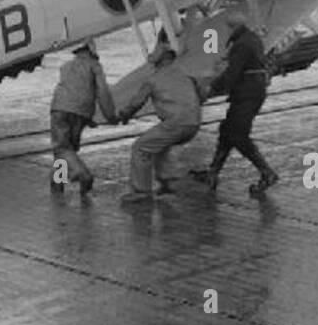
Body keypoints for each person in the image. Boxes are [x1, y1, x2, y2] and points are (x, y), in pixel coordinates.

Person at [191, 14, 280, 197]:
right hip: (250, 92)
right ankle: (213, 173)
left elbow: (232, 73)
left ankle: (267, 173)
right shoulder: (251, 38)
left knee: (238, 135)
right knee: (226, 131)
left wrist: (210, 89)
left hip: (248, 94)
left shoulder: (242, 44)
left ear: (233, 28)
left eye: (228, 29)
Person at [116, 43, 204, 203]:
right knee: (159, 144)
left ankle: (141, 191)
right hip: (194, 123)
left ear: (160, 59)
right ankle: (167, 181)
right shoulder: (185, 74)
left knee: (141, 147)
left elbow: (136, 103)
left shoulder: (153, 79)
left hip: (176, 123)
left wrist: (123, 115)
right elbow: (202, 93)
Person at [48, 39, 117, 195]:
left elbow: (73, 89)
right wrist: (110, 115)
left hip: (59, 108)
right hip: (81, 112)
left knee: (61, 148)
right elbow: (102, 92)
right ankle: (58, 181)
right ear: (91, 49)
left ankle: (83, 174)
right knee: (67, 148)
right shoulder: (94, 66)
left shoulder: (65, 67)